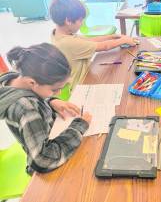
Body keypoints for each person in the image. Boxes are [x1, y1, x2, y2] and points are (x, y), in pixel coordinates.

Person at [0, 43, 92, 174]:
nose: (59, 93)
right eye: (55, 89)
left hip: (45, 137)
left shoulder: (17, 79)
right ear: (32, 82)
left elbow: (34, 96)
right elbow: (42, 159)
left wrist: (50, 101)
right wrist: (79, 127)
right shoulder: (27, 109)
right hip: (46, 166)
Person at [50, 0, 138, 89]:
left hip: (86, 73)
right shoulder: (66, 43)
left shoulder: (60, 34)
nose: (82, 23)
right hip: (80, 85)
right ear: (68, 21)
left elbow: (90, 40)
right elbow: (104, 47)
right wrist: (123, 40)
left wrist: (112, 37)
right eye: (80, 20)